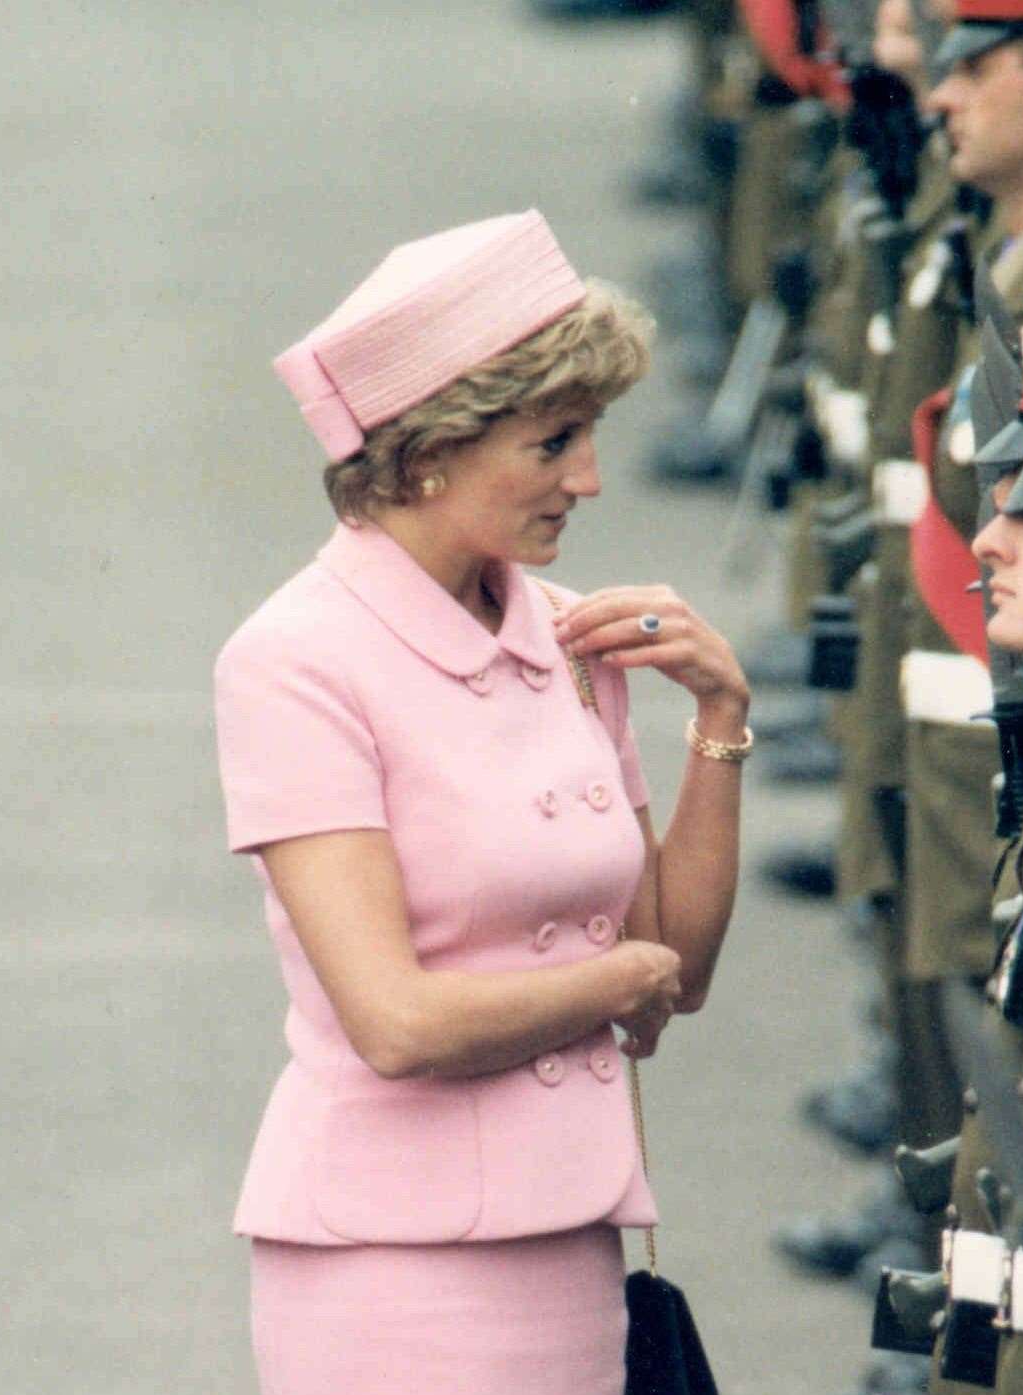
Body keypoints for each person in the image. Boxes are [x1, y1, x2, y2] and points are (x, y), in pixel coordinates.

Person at [213, 210, 750, 1395]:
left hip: (572, 1244)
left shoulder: (565, 636)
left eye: (592, 436)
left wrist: (720, 722)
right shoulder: (295, 660)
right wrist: (615, 986)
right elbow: (395, 1022)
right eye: (554, 441)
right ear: (428, 452)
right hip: (391, 1272)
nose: (590, 480)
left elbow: (676, 962)